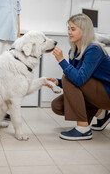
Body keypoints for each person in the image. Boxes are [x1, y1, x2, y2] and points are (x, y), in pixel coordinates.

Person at [46, 13, 110, 141]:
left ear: (84, 31)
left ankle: (83, 129)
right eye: (68, 29)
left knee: (68, 76)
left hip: (107, 92)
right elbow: (76, 79)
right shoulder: (73, 51)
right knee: (57, 105)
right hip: (97, 92)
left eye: (73, 29)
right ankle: (101, 112)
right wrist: (58, 82)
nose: (69, 32)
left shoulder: (94, 49)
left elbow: (79, 79)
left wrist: (61, 61)